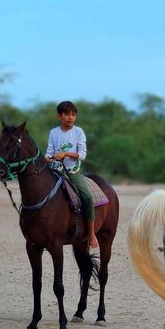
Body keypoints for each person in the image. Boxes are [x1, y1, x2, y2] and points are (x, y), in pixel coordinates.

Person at [45, 100, 99, 249]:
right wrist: (48, 157)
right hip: (55, 170)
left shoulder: (78, 132)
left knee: (87, 197)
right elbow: (49, 151)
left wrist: (65, 154)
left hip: (72, 171)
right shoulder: (53, 132)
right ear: (59, 116)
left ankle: (91, 232)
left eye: (73, 114)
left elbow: (82, 155)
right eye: (67, 114)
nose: (71, 117)